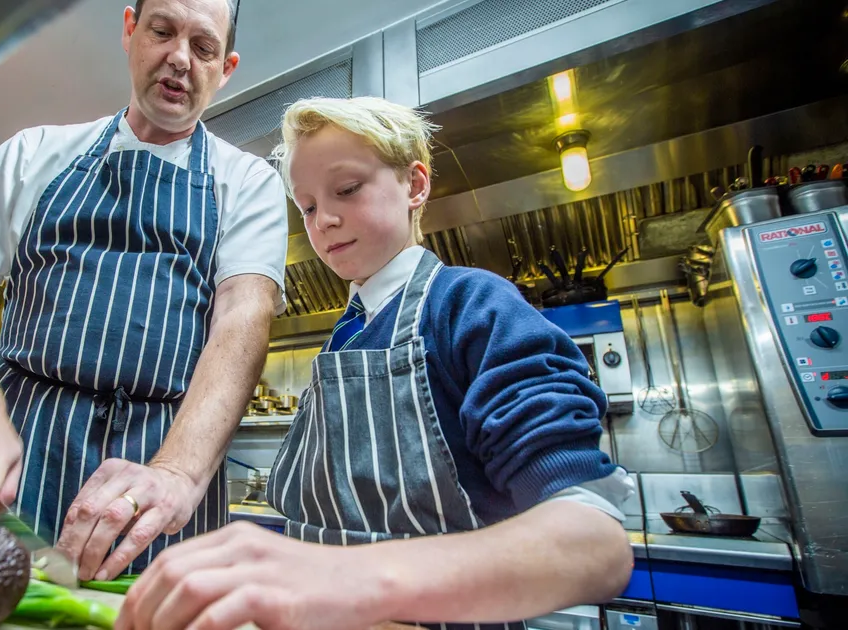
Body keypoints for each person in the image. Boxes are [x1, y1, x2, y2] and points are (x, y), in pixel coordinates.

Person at [116, 96, 636, 630]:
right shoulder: (345, 338)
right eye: (309, 207)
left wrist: (351, 579)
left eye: (346, 189)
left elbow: (593, 542)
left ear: (414, 185)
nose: (325, 221)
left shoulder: (471, 307)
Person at [0, 0, 288, 582]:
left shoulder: (247, 181)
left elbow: (243, 316)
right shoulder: (34, 152)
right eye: (162, 31)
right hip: (18, 456)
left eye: (203, 47)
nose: (180, 59)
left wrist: (179, 474)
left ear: (225, 67)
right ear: (131, 31)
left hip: (156, 480)